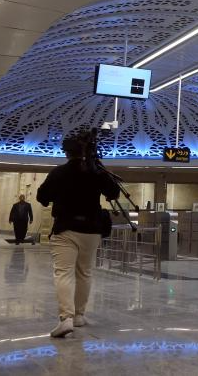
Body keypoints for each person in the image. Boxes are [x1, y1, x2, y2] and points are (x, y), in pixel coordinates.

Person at [37, 128, 119, 338]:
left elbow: (42, 196)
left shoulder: (59, 172)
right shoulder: (96, 172)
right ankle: (80, 315)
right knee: (85, 272)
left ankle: (66, 318)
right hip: (92, 230)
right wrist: (98, 167)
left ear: (66, 152)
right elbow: (114, 192)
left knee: (63, 272)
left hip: (66, 229)